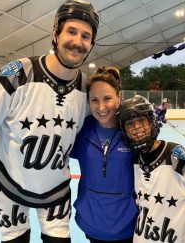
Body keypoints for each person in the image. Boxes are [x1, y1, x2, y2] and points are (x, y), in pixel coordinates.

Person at [0, 0, 99, 243]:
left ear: (91, 43)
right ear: (55, 33)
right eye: (71, 31)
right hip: (9, 187)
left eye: (86, 36)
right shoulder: (18, 72)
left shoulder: (85, 89)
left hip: (56, 192)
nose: (78, 41)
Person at [116, 95, 185, 243]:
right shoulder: (134, 159)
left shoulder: (174, 153)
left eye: (142, 121)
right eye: (130, 124)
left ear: (151, 122)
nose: (137, 128)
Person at [70, 67, 137, 243]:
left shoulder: (132, 131)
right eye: (94, 100)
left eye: (107, 98)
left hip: (128, 226)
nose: (101, 107)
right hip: (92, 224)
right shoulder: (80, 131)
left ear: (118, 98)